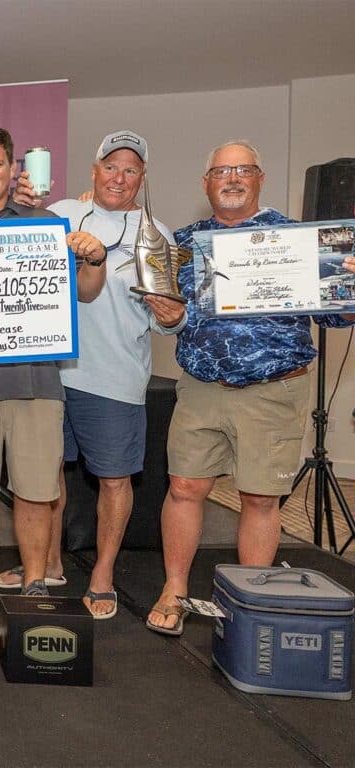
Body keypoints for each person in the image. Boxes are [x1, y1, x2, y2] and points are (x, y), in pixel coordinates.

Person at [146, 140, 355, 635]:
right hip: (201, 386)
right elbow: (164, 320)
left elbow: (336, 315)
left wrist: (348, 290)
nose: (232, 178)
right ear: (206, 183)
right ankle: (174, 589)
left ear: (259, 178)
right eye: (221, 171)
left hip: (273, 390)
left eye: (242, 170)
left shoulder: (297, 240)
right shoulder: (183, 243)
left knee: (260, 498)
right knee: (183, 487)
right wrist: (169, 317)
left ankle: (251, 600)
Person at [1, 130, 186, 619]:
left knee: (114, 481)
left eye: (130, 169)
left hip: (116, 379)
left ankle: (103, 574)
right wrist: (17, 202)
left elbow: (169, 318)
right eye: (111, 166)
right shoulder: (62, 212)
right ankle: (49, 562)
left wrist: (173, 317)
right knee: (45, 476)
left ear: (142, 177)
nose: (118, 177)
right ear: (94, 170)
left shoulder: (156, 235)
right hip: (50, 374)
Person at [0, 126, 107, 637]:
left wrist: (94, 257)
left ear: (12, 169)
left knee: (37, 492)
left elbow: (86, 292)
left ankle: (35, 585)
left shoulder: (47, 225)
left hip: (37, 385)